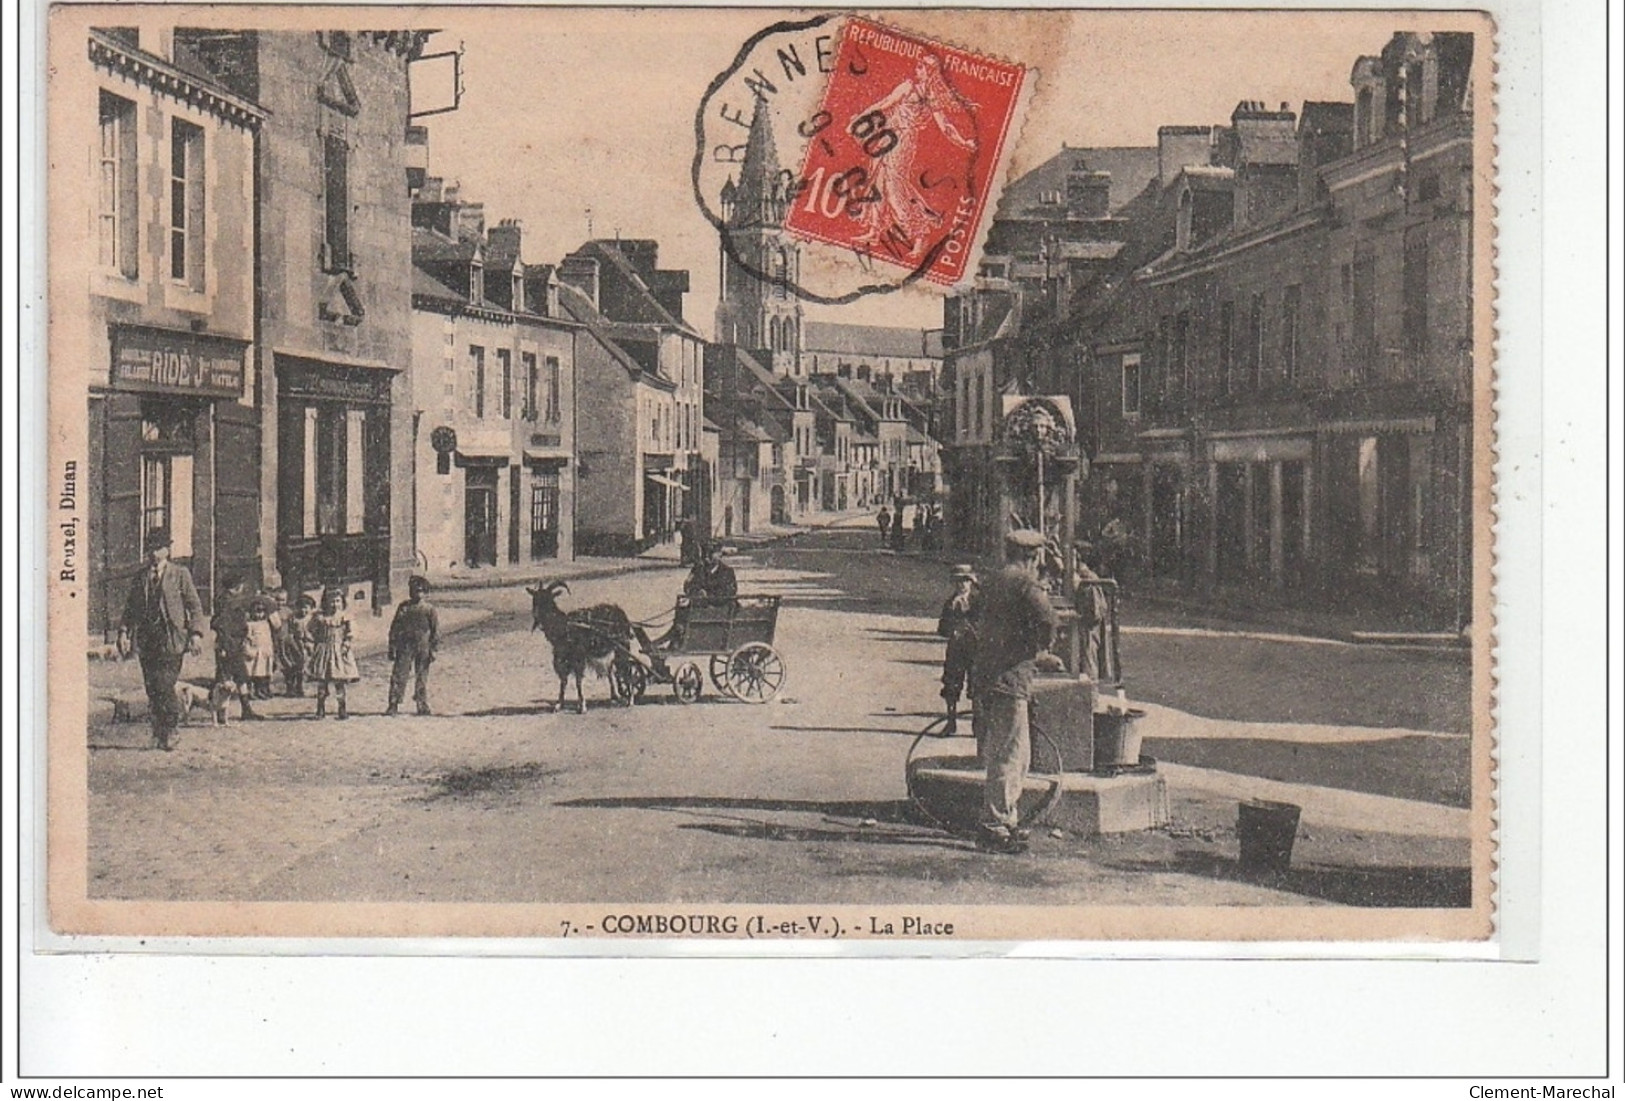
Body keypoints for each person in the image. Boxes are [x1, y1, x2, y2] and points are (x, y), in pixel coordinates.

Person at [969, 528, 1061, 855]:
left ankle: (1005, 818)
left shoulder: (992, 579)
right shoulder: (1025, 583)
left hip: (987, 676)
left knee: (1009, 751)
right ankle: (994, 825)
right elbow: (1048, 619)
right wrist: (1040, 649)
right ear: (1034, 557)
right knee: (1011, 753)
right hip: (1011, 679)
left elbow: (972, 614)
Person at [116, 528, 205, 751]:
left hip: (172, 640)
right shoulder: (141, 577)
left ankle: (171, 729)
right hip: (148, 640)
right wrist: (124, 633)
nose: (154, 554)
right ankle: (158, 732)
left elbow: (194, 606)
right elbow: (130, 609)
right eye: (150, 549)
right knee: (152, 688)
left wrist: (195, 634)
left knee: (165, 685)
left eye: (158, 548)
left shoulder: (180, 574)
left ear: (167, 550)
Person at [385, 576, 439, 716]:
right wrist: (392, 646)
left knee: (421, 676)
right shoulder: (404, 607)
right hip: (405, 646)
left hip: (423, 646)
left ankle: (422, 704)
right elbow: (395, 627)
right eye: (414, 590)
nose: (417, 594)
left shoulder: (429, 609)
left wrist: (433, 650)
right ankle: (393, 703)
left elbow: (435, 631)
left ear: (426, 592)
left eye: (421, 591)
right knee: (399, 675)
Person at [935, 564, 979, 736]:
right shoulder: (950, 603)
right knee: (951, 685)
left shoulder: (979, 601)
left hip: (976, 650)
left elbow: (986, 624)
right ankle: (951, 721)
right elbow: (942, 629)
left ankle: (978, 724)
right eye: (958, 581)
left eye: (965, 581)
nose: (962, 585)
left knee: (976, 686)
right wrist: (951, 629)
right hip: (956, 650)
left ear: (972, 582)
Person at [210, 574, 260, 721]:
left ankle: (246, 709)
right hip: (229, 644)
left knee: (240, 675)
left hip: (234, 643)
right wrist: (224, 646)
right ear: (237, 587)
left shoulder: (229, 600)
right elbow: (223, 626)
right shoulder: (227, 602)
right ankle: (219, 711)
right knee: (224, 678)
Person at [307, 587, 361, 719]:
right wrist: (314, 643)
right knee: (322, 681)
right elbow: (311, 629)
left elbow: (351, 632)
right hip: (324, 650)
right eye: (331, 601)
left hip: (339, 651)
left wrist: (346, 644)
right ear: (325, 602)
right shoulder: (320, 617)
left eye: (337, 601)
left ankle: (342, 709)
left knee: (339, 682)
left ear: (342, 602)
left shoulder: (345, 616)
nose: (334, 604)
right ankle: (320, 709)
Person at [1073, 547, 1112, 682]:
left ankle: (1092, 686)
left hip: (1089, 625)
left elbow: (1095, 609)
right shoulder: (1085, 576)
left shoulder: (1087, 578)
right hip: (1090, 623)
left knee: (1089, 657)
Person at [281, 594, 316, 698]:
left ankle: (304, 687)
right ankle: (294, 688)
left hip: (309, 644)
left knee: (307, 667)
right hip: (296, 644)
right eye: (301, 607)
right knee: (296, 667)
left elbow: (316, 632)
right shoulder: (294, 619)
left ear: (311, 608)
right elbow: (291, 632)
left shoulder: (312, 619)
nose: (303, 611)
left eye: (306, 608)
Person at [243, 596, 277, 701]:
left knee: (263, 672)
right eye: (257, 611)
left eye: (262, 611)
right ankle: (251, 691)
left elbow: (270, 636)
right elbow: (246, 639)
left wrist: (270, 650)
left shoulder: (266, 623)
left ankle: (262, 690)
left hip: (264, 652)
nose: (259, 614)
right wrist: (247, 650)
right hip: (254, 652)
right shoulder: (249, 624)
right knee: (252, 673)